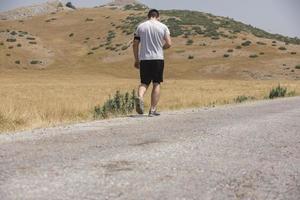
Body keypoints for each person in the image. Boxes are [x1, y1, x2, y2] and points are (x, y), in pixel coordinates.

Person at [133, 9, 172, 117]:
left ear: (148, 16)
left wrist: (137, 59)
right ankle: (152, 110)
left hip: (144, 58)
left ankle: (140, 97)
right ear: (158, 16)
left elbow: (135, 44)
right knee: (156, 83)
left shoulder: (141, 27)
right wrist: (161, 48)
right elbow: (169, 43)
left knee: (144, 82)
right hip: (158, 58)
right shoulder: (163, 26)